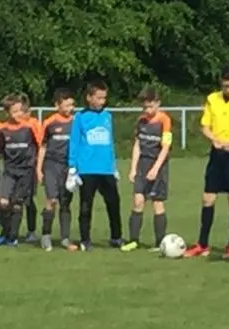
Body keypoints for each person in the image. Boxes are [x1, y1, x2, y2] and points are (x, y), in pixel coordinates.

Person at [190, 66, 229, 260]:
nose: (228, 89)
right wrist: (214, 140)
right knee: (208, 198)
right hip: (217, 155)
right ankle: (202, 243)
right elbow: (205, 126)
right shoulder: (212, 99)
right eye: (225, 86)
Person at [68, 80, 123, 251]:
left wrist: (113, 166)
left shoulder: (107, 116)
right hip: (87, 169)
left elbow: (110, 143)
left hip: (106, 168)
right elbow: (74, 142)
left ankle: (116, 237)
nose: (102, 101)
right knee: (86, 205)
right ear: (89, 97)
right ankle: (85, 239)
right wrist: (72, 167)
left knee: (114, 203)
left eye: (104, 98)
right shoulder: (80, 117)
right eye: (98, 98)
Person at [124, 88, 174, 253]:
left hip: (158, 165)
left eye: (150, 106)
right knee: (138, 200)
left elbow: (165, 147)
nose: (147, 110)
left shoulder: (164, 120)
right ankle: (133, 240)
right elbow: (137, 145)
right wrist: (133, 168)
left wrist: (156, 168)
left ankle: (160, 242)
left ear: (158, 104)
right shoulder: (141, 121)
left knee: (157, 203)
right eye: (145, 107)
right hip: (142, 165)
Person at [0, 95, 44, 248]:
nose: (18, 114)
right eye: (14, 111)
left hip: (26, 172)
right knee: (3, 202)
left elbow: (41, 146)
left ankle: (13, 237)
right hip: (9, 171)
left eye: (20, 111)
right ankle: (5, 232)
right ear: (7, 113)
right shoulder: (3, 130)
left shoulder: (30, 127)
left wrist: (39, 168)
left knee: (17, 204)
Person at [39, 90, 76, 252]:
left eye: (72, 105)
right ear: (57, 105)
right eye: (66, 105)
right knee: (52, 200)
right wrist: (38, 169)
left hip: (69, 167)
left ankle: (65, 238)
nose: (70, 108)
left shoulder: (76, 122)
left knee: (65, 202)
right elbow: (42, 146)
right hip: (51, 165)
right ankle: (46, 235)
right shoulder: (49, 122)